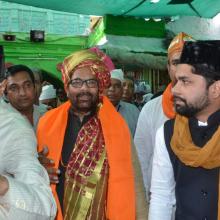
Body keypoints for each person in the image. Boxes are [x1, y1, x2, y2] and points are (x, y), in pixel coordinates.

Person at [37, 50, 147, 220]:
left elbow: (135, 182)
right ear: (67, 87)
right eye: (77, 82)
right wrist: (38, 167)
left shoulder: (117, 126)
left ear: (99, 87)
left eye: (91, 82)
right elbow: (33, 170)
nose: (84, 89)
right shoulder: (47, 123)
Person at [149, 40, 220, 219]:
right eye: (177, 80)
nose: (175, 90)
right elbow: (161, 197)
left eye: (185, 82)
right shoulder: (167, 133)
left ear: (216, 89)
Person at [134, 32, 194, 199]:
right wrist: (145, 204)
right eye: (176, 62)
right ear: (168, 68)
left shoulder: (211, 107)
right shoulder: (150, 109)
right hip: (161, 202)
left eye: (188, 61)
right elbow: (141, 160)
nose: (182, 68)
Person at [0, 80, 57, 219]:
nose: (22, 93)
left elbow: (44, 208)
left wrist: (7, 185)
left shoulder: (14, 127)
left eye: (28, 85)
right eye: (15, 87)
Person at [5, 64, 44, 131]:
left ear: (34, 87)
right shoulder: (3, 120)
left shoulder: (45, 114)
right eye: (14, 88)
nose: (22, 93)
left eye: (27, 85)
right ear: (6, 93)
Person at [105, 69, 140, 137]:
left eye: (117, 86)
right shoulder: (93, 111)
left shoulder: (133, 111)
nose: (112, 89)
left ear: (121, 90)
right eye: (108, 85)